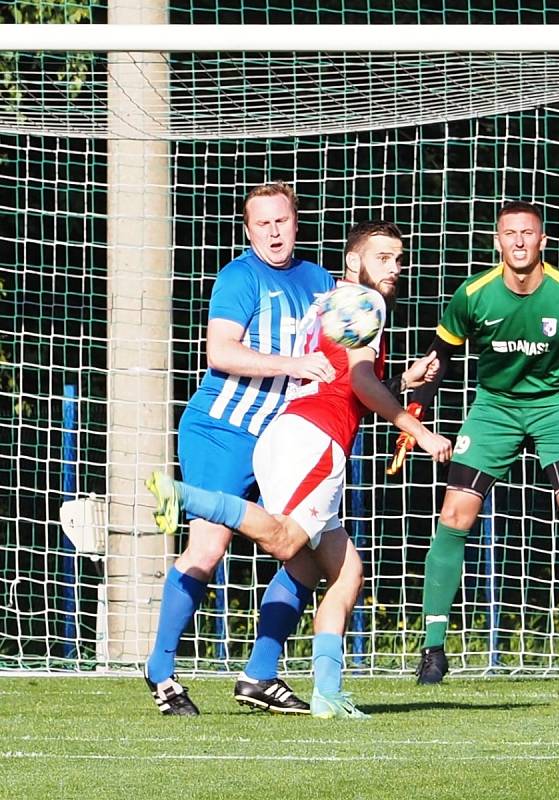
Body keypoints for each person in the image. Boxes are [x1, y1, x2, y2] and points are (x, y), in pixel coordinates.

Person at [148, 220, 452, 718]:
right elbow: (358, 384)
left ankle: (311, 689)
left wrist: (400, 377)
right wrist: (417, 430)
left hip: (292, 432)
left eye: (398, 259)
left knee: (337, 568)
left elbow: (343, 377)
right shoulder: (363, 302)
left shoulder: (328, 300)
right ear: (354, 261)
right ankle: (184, 497)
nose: (394, 268)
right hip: (313, 441)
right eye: (382, 257)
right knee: (288, 542)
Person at [388, 200, 559, 687]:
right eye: (509, 233)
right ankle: (432, 650)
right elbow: (439, 356)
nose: (518, 242)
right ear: (497, 241)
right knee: (454, 517)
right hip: (496, 408)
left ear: (542, 241)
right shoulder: (474, 294)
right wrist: (416, 415)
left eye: (527, 233)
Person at [144, 181, 337, 716]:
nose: (274, 232)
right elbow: (221, 351)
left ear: (296, 223)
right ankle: (161, 671)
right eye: (263, 224)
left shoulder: (320, 281)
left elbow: (345, 348)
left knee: (304, 558)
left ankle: (259, 674)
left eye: (282, 221)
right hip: (222, 432)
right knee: (209, 549)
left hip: (280, 443)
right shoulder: (240, 277)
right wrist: (292, 366)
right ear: (248, 230)